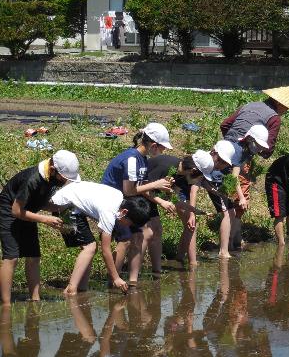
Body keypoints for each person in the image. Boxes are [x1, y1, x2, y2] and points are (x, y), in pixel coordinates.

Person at [220, 86, 289, 248]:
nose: (286, 111)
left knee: (228, 193)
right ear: (280, 104)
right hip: (241, 154)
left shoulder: (249, 105)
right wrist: (255, 152)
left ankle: (236, 238)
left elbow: (225, 124)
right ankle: (229, 244)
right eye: (286, 108)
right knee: (240, 200)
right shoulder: (274, 118)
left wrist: (232, 140)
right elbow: (268, 148)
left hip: (223, 150)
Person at [0, 150, 80, 305]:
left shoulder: (50, 178)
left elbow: (41, 203)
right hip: (8, 210)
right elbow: (16, 211)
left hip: (28, 211)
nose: (64, 182)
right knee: (12, 257)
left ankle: (35, 299)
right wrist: (44, 219)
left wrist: (61, 209)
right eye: (63, 179)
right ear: (53, 169)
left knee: (34, 256)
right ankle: (6, 304)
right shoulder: (33, 179)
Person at [101, 122, 175, 287]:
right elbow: (129, 190)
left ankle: (133, 281)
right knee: (125, 240)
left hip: (125, 201)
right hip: (112, 203)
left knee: (141, 235)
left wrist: (161, 200)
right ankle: (113, 280)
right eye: (162, 148)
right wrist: (155, 185)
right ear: (154, 145)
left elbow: (141, 188)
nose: (163, 152)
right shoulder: (132, 159)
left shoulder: (142, 159)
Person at [50, 181, 151, 294]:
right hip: (62, 206)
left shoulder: (118, 196)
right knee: (90, 247)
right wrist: (116, 278)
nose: (127, 226)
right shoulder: (109, 213)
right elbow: (106, 251)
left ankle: (81, 289)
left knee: (90, 248)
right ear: (124, 212)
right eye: (130, 223)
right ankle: (71, 289)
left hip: (73, 202)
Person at [228, 124, 270, 250]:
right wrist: (241, 197)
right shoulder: (239, 151)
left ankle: (236, 240)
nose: (259, 150)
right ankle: (230, 243)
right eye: (258, 146)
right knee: (234, 211)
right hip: (233, 185)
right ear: (250, 140)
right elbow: (233, 177)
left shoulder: (249, 152)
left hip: (241, 184)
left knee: (238, 212)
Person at [171, 150, 215, 266]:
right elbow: (193, 192)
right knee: (191, 225)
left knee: (189, 225)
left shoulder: (197, 168)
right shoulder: (186, 169)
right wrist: (192, 214)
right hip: (179, 191)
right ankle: (192, 262)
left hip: (181, 190)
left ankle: (179, 257)